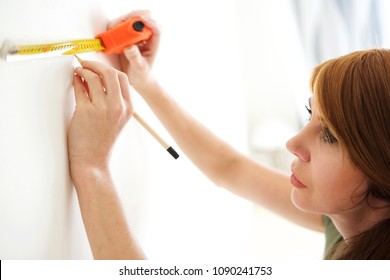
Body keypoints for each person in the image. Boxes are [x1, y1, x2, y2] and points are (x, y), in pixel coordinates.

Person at [67, 11, 390, 260]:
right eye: (310, 115)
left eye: (329, 136)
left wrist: (91, 166)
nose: (293, 145)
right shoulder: (352, 214)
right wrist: (145, 83)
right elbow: (229, 167)